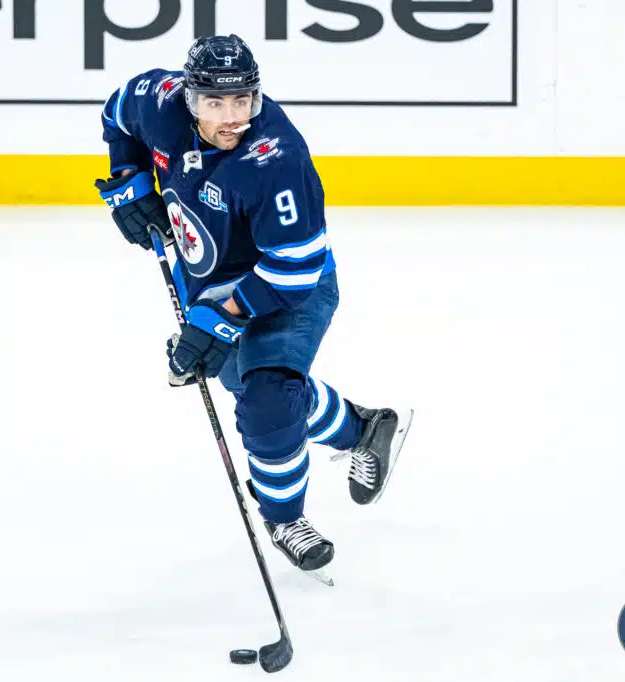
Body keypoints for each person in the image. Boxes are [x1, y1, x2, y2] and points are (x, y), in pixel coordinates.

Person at [95, 34, 412, 577]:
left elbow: (295, 267)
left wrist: (220, 319)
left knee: (268, 401)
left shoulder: (276, 158)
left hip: (289, 289)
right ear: (189, 98)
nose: (232, 117)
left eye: (242, 100)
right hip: (211, 278)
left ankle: (284, 519)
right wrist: (129, 178)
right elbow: (119, 109)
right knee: (256, 393)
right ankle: (365, 430)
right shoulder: (161, 102)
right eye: (215, 103)